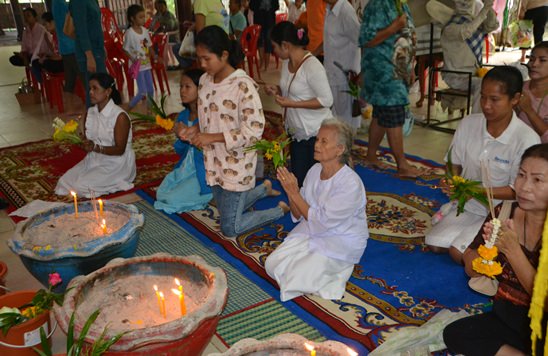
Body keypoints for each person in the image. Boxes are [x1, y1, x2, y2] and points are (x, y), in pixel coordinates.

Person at [425, 66, 541, 264]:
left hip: (501, 213)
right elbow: (454, 163)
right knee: (434, 244)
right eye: (483, 97)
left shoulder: (526, 139)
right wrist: (452, 181)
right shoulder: (469, 123)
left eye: (495, 99)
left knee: (458, 254)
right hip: (468, 205)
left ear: (515, 99)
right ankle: (460, 223)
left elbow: (518, 192)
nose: (486, 105)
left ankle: (499, 246)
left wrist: (477, 190)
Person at [179, 25, 286, 237]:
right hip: (214, 159)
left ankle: (279, 210)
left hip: (236, 162)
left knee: (230, 228)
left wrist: (211, 137)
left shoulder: (243, 86)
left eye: (207, 59)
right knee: (225, 204)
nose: (201, 64)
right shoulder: (204, 81)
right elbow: (207, 116)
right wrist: (195, 130)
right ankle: (264, 189)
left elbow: (253, 132)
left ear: (224, 55)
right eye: (199, 58)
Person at [443, 143, 548, 356]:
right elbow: (471, 260)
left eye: (538, 180)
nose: (524, 186)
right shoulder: (504, 211)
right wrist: (481, 261)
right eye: (521, 175)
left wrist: (512, 251)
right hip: (508, 316)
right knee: (455, 334)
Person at [265, 118, 369, 302]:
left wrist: (294, 193)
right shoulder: (314, 170)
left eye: (324, 141)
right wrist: (291, 191)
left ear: (340, 150)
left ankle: (340, 267)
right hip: (313, 229)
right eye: (317, 139)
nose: (317, 145)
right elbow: (298, 214)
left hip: (340, 239)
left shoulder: (349, 184)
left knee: (295, 278)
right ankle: (321, 267)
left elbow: (322, 222)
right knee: (272, 265)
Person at [359, 0, 422, 178]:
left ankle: (371, 156)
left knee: (381, 113)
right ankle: (402, 165)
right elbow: (367, 39)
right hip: (383, 70)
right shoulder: (377, 5)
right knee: (394, 113)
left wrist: (410, 67)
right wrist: (393, 27)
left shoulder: (401, 4)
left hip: (397, 69)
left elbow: (409, 36)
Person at [266, 21, 333, 187]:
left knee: (319, 181)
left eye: (274, 46)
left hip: (315, 132)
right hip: (296, 131)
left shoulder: (312, 66)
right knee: (300, 180)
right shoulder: (286, 63)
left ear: (285, 45)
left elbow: (327, 100)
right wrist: (277, 90)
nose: (273, 51)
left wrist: (293, 104)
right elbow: (291, 91)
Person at [55, 73, 136, 197]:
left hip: (116, 163)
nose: (91, 92)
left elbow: (120, 150)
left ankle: (118, 181)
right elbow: (90, 140)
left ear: (108, 91)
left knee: (80, 186)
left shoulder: (120, 116)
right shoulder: (91, 112)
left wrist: (95, 148)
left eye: (95, 88)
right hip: (95, 158)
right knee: (63, 183)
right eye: (90, 89)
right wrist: (83, 141)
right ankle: (97, 181)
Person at [155, 69, 213, 213]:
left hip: (203, 170)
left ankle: (211, 195)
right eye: (181, 86)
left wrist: (191, 136)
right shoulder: (183, 115)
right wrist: (180, 137)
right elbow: (181, 151)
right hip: (185, 167)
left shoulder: (208, 117)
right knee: (161, 193)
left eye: (187, 87)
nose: (182, 91)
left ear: (201, 90)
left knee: (172, 199)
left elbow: (210, 149)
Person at [439, 0, 498, 115]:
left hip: (474, 74)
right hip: (456, 76)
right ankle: (477, 119)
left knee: (497, 80)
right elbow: (467, 31)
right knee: (483, 84)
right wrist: (484, 10)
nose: (465, 3)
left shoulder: (475, 23)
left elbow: (492, 25)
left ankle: (491, 116)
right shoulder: (450, 28)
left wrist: (488, 6)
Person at [321, 0, 360, 132]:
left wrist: (361, 73)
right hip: (332, 72)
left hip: (344, 75)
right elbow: (329, 39)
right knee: (336, 119)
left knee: (346, 121)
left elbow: (361, 40)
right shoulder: (329, 9)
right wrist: (310, 55)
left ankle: (346, 149)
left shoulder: (345, 11)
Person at [69, 0, 107, 106]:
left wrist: (101, 46)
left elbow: (95, 26)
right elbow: (81, 30)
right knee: (95, 91)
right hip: (89, 52)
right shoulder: (78, 2)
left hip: (97, 49)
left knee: (100, 89)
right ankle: (91, 120)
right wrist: (89, 56)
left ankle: (101, 120)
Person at [9, 8, 52, 84]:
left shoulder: (42, 30)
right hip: (29, 56)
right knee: (13, 59)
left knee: (36, 62)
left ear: (35, 17)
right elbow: (24, 47)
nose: (26, 18)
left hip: (40, 55)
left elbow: (48, 47)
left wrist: (41, 55)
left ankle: (41, 81)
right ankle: (32, 68)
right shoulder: (25, 32)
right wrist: (24, 55)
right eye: (25, 16)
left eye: (28, 16)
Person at [124, 4, 154, 110]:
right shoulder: (129, 33)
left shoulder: (145, 31)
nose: (143, 19)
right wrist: (133, 59)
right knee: (142, 92)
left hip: (147, 65)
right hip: (138, 67)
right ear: (132, 18)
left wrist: (154, 55)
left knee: (151, 90)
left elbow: (148, 45)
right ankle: (129, 107)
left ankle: (150, 109)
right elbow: (126, 49)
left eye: (143, 16)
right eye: (140, 17)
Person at [517, 41, 548, 142]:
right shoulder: (519, 87)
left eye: (542, 60)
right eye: (531, 59)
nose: (534, 64)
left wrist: (528, 110)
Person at [51, 0, 78, 93]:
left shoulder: (57, 3)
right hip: (71, 47)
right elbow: (68, 29)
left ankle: (69, 105)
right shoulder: (61, 4)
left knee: (70, 82)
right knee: (85, 80)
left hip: (66, 47)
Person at [249, 0, 279, 70]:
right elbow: (251, 6)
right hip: (258, 20)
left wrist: (269, 9)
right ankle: (262, 62)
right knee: (260, 41)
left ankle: (266, 64)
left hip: (270, 21)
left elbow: (277, 6)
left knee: (268, 42)